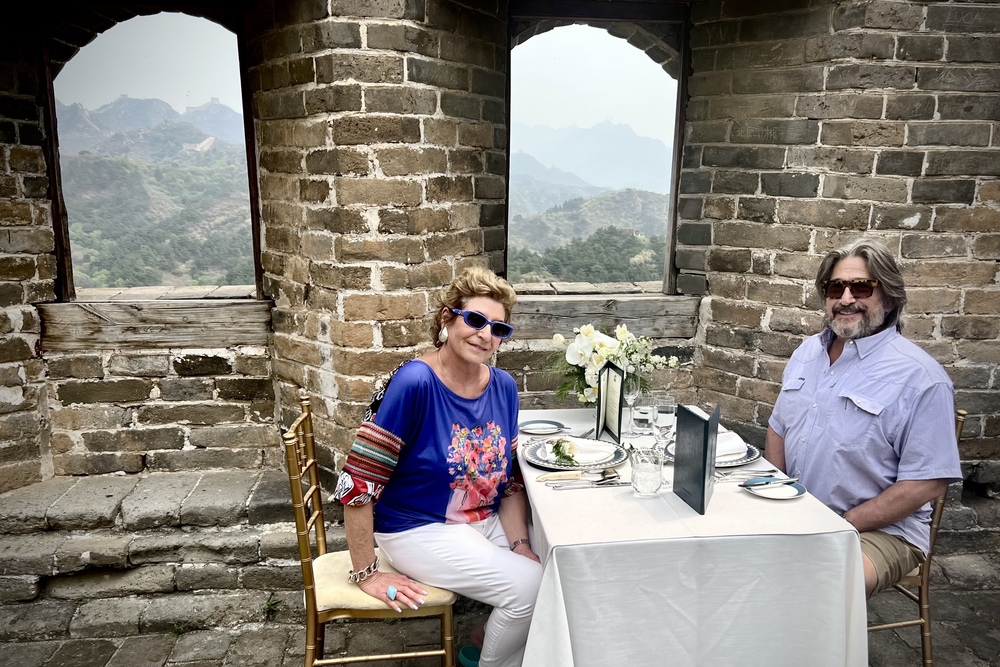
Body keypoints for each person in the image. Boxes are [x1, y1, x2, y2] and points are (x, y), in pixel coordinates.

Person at [334, 266, 542, 667]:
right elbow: (358, 483)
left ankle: (483, 642)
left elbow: (510, 482)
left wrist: (521, 545)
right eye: (476, 320)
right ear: (448, 317)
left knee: (558, 565)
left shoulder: (504, 387)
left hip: (482, 520)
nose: (485, 334)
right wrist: (368, 573)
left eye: (499, 328)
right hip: (418, 527)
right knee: (530, 588)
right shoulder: (415, 382)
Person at [765, 238, 962, 598]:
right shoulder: (808, 351)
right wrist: (779, 495)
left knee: (814, 585)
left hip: (879, 531)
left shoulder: (921, 378)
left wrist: (842, 523)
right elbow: (778, 428)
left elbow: (927, 483)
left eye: (861, 287)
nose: (845, 298)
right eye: (835, 287)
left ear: (888, 298)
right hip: (796, 511)